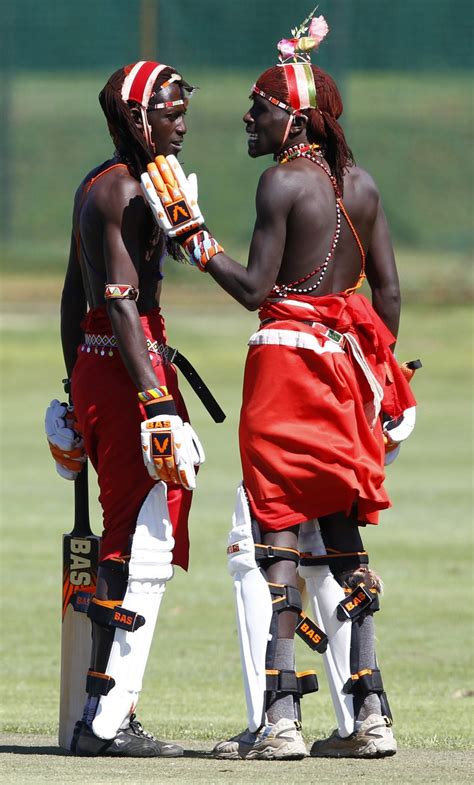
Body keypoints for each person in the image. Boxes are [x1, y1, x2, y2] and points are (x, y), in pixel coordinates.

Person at [142, 13, 419, 760]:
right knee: (343, 537)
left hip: (283, 371)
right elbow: (387, 295)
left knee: (278, 540)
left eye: (260, 105)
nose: (246, 115)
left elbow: (255, 287)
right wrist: (379, 374)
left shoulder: (280, 182)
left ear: (293, 116)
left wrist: (194, 238)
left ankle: (283, 719)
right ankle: (372, 716)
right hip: (342, 374)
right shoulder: (359, 184)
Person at [45, 60, 206, 757]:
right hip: (126, 368)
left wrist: (72, 388)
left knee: (143, 531)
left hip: (105, 369)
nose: (182, 119)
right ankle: (103, 719)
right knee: (139, 539)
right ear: (137, 119)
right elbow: (116, 306)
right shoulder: (123, 191)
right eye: (170, 108)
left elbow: (68, 300)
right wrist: (156, 406)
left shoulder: (103, 181)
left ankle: (107, 709)